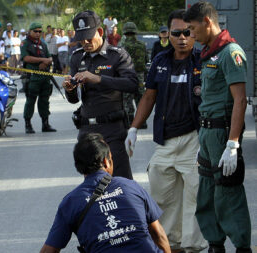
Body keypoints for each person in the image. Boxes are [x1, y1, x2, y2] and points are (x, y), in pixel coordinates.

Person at [125, 9, 208, 253]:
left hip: (195, 138)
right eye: (176, 33)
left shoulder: (203, 60)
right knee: (162, 195)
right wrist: (133, 128)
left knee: (194, 197)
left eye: (187, 32)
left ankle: (193, 247)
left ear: (193, 33)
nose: (182, 37)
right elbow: (149, 97)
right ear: (168, 35)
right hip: (165, 140)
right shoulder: (160, 62)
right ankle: (172, 245)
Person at [184, 2, 252, 253]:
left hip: (223, 132)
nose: (191, 34)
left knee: (228, 191)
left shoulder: (230, 52)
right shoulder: (210, 52)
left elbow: (240, 100)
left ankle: (242, 246)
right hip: (207, 133)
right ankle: (215, 244)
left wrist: (233, 143)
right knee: (207, 191)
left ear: (207, 22)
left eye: (192, 28)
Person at [40, 133, 171, 253]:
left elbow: (49, 250)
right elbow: (158, 234)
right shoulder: (131, 186)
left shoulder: (71, 202)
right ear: (106, 161)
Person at [62, 10, 138, 179]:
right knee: (93, 185)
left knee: (120, 183)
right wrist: (70, 89)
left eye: (89, 37)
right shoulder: (77, 57)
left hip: (112, 129)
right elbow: (74, 100)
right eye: (81, 38)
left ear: (101, 32)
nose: (85, 42)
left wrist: (98, 79)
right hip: (87, 130)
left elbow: (132, 84)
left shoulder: (117, 55)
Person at [21, 22, 57, 134]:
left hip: (45, 76)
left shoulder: (43, 43)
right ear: (30, 31)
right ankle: (28, 125)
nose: (37, 33)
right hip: (32, 77)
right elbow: (26, 58)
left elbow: (49, 58)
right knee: (30, 101)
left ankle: (45, 124)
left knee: (44, 101)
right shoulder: (25, 43)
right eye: (35, 31)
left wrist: (47, 62)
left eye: (40, 31)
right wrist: (42, 60)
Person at [121, 22, 147, 128]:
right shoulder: (142, 45)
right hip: (139, 76)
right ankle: (142, 122)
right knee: (140, 98)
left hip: (127, 75)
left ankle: (129, 120)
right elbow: (146, 60)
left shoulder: (122, 46)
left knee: (127, 99)